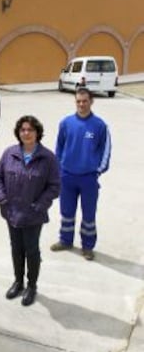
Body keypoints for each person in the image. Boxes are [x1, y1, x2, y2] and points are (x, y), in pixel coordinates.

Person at [0, 115, 60, 306]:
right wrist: (2, 199)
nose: (26, 133)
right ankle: (18, 282)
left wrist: (39, 205)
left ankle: (32, 285)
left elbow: (54, 186)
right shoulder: (9, 153)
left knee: (31, 250)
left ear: (37, 132)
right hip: (11, 212)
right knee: (16, 248)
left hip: (33, 215)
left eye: (30, 129)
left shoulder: (48, 158)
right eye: (23, 129)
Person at [50, 87, 111, 260]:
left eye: (85, 101)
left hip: (89, 178)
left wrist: (97, 171)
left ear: (91, 101)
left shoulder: (100, 126)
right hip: (67, 176)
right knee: (66, 211)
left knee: (89, 215)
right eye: (78, 101)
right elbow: (59, 147)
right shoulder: (66, 123)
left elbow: (106, 151)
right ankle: (65, 240)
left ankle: (88, 246)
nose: (81, 104)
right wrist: (59, 168)